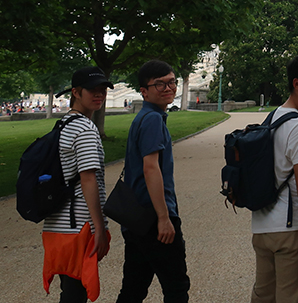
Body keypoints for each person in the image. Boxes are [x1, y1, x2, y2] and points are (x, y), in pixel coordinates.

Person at [250, 51, 298, 303]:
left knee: (263, 297)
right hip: (290, 229)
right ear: (296, 83)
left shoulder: (271, 118)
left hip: (262, 228)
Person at [116, 60, 190, 303]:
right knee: (176, 286)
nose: (168, 88)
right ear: (144, 91)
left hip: (137, 218)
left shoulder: (145, 117)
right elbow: (151, 168)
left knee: (134, 287)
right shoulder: (152, 120)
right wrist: (163, 218)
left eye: (171, 82)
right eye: (160, 84)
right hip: (152, 218)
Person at [42, 67, 113, 302]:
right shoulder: (84, 129)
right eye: (92, 90)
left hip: (57, 223)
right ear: (75, 92)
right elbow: (88, 178)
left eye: (102, 90)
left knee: (71, 291)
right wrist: (99, 227)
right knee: (76, 292)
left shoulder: (63, 124)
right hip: (78, 226)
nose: (99, 94)